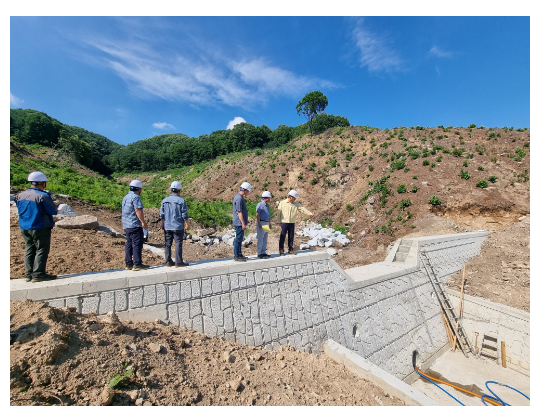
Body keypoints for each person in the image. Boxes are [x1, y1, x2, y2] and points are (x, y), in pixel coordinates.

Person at [15, 171, 58, 282]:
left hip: (24, 226)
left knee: (29, 249)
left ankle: (29, 274)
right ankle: (38, 274)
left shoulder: (19, 195)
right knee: (42, 249)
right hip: (40, 226)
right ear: (43, 183)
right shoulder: (43, 196)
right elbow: (53, 211)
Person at [276, 190, 315, 256]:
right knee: (282, 236)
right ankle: (281, 250)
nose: (295, 199)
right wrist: (279, 221)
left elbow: (302, 209)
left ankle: (290, 249)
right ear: (291, 197)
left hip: (292, 222)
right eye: (294, 197)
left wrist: (310, 213)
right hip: (284, 222)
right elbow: (278, 212)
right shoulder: (282, 203)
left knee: (291, 236)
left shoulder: (296, 204)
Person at [160, 181, 189, 267]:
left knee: (168, 243)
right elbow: (184, 214)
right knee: (178, 243)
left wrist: (162, 223)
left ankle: (168, 261)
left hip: (167, 225)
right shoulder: (181, 201)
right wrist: (187, 224)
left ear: (171, 190)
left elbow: (162, 214)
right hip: (178, 226)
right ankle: (179, 262)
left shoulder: (164, 201)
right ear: (179, 191)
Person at [122, 179, 149, 271]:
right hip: (134, 224)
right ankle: (137, 264)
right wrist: (143, 222)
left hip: (127, 225)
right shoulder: (136, 197)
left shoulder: (125, 197)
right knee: (137, 244)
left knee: (129, 243)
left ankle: (128, 264)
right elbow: (138, 210)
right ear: (139, 189)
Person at [232, 182, 251, 262]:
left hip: (240, 222)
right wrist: (243, 223)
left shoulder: (239, 197)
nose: (248, 193)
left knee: (240, 239)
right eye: (248, 191)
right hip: (239, 222)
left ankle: (239, 254)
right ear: (245, 190)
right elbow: (239, 212)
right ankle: (236, 255)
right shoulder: (239, 198)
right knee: (238, 239)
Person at [256, 191, 272, 259]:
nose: (270, 199)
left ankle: (263, 252)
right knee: (260, 238)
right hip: (262, 223)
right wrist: (259, 223)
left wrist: (270, 223)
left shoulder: (267, 206)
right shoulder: (260, 204)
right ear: (265, 198)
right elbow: (257, 214)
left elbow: (268, 215)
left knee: (265, 238)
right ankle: (259, 253)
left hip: (266, 223)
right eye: (269, 198)